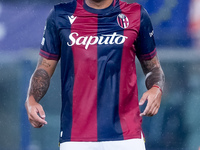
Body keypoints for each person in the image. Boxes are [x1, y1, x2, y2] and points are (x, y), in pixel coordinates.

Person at [25, 0, 165, 150]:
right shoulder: (60, 15)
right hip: (76, 137)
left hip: (127, 136)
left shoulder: (136, 14)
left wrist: (156, 88)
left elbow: (153, 67)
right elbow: (44, 68)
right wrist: (32, 99)